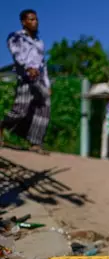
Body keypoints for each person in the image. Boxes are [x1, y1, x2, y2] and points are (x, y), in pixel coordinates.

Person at [0, 9, 50, 154]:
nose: (35, 22)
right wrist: (27, 67)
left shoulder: (39, 42)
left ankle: (35, 143)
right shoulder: (16, 37)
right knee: (20, 110)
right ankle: (2, 125)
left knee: (43, 109)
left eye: (36, 19)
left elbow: (42, 63)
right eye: (31, 19)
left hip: (39, 79)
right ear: (24, 22)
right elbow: (16, 53)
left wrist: (47, 83)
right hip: (25, 77)